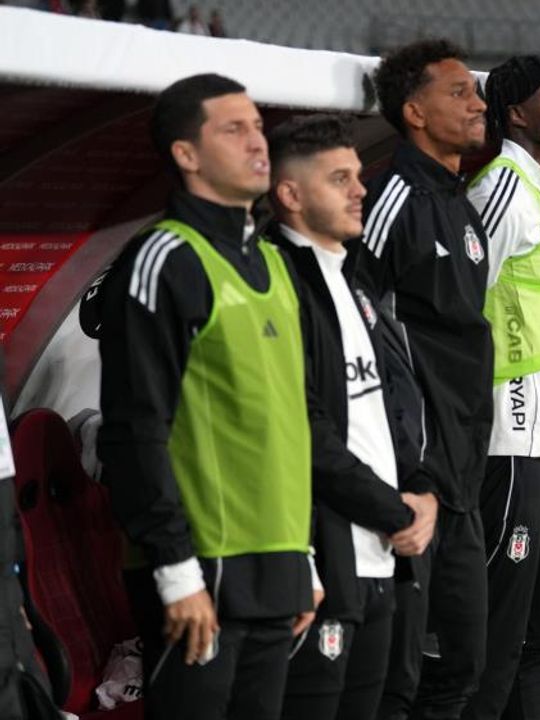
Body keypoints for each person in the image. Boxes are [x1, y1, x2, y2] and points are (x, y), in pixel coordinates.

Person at [94, 73, 318, 719]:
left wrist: (301, 555)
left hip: (275, 563)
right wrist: (175, 570)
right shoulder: (164, 257)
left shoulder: (275, 262)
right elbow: (134, 429)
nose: (258, 142)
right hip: (200, 568)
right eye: (234, 129)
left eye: (258, 127)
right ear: (186, 154)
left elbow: (292, 421)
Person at [265, 115, 437, 720]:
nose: (360, 190)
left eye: (358, 176)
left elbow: (392, 405)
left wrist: (422, 489)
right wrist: (394, 510)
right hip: (322, 556)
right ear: (290, 194)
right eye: (340, 179)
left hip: (384, 551)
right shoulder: (275, 282)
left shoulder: (352, 280)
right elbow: (301, 429)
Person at [349, 38, 492, 720]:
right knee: (397, 678)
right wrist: (407, 471)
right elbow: (356, 330)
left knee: (461, 666)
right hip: (412, 476)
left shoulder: (460, 203)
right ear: (413, 111)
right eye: (458, 92)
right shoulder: (390, 197)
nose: (478, 103)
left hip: (463, 472)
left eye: (476, 91)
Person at [463, 55, 540, 720]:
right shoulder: (503, 189)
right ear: (516, 114)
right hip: (513, 434)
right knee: (502, 626)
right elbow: (463, 306)